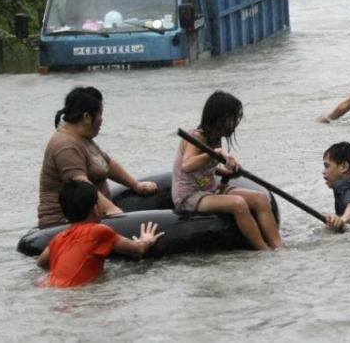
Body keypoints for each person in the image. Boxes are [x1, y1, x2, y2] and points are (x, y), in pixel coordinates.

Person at [172, 91, 282, 251]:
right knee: (238, 203)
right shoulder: (196, 138)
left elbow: (205, 169)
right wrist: (215, 154)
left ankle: (279, 246)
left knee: (260, 199)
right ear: (219, 119)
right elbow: (187, 165)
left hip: (211, 189)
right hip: (190, 196)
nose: (236, 123)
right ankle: (263, 250)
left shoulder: (215, 138)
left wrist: (226, 173)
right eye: (233, 118)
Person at [38, 87, 158, 229]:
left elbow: (107, 163)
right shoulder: (65, 145)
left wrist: (136, 185)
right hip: (62, 223)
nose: (102, 120)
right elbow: (82, 185)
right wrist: (112, 211)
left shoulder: (83, 138)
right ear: (87, 117)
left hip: (93, 215)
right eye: (100, 114)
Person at [36, 181, 164, 288]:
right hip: (77, 295)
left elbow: (41, 263)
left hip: (52, 289)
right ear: (96, 209)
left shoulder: (58, 238)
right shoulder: (99, 231)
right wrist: (146, 240)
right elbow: (138, 250)